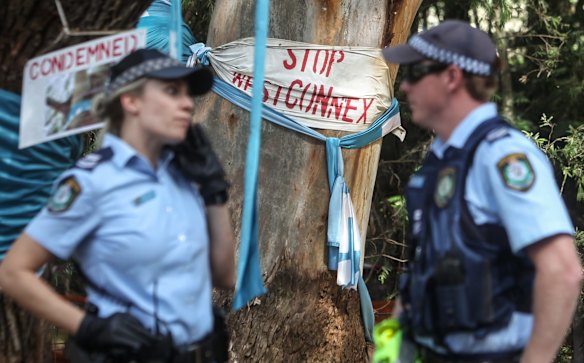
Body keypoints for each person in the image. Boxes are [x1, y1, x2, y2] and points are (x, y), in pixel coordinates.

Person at [0, 48, 235, 362]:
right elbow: (13, 272)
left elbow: (225, 276)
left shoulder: (183, 175)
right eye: (171, 91)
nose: (187, 104)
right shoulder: (91, 182)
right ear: (131, 101)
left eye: (187, 94)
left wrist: (214, 193)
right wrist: (88, 328)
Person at [381, 20, 582, 363]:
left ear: (451, 77)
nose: (406, 87)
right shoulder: (439, 163)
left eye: (415, 74)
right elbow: (421, 278)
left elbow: (562, 271)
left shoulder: (501, 156)